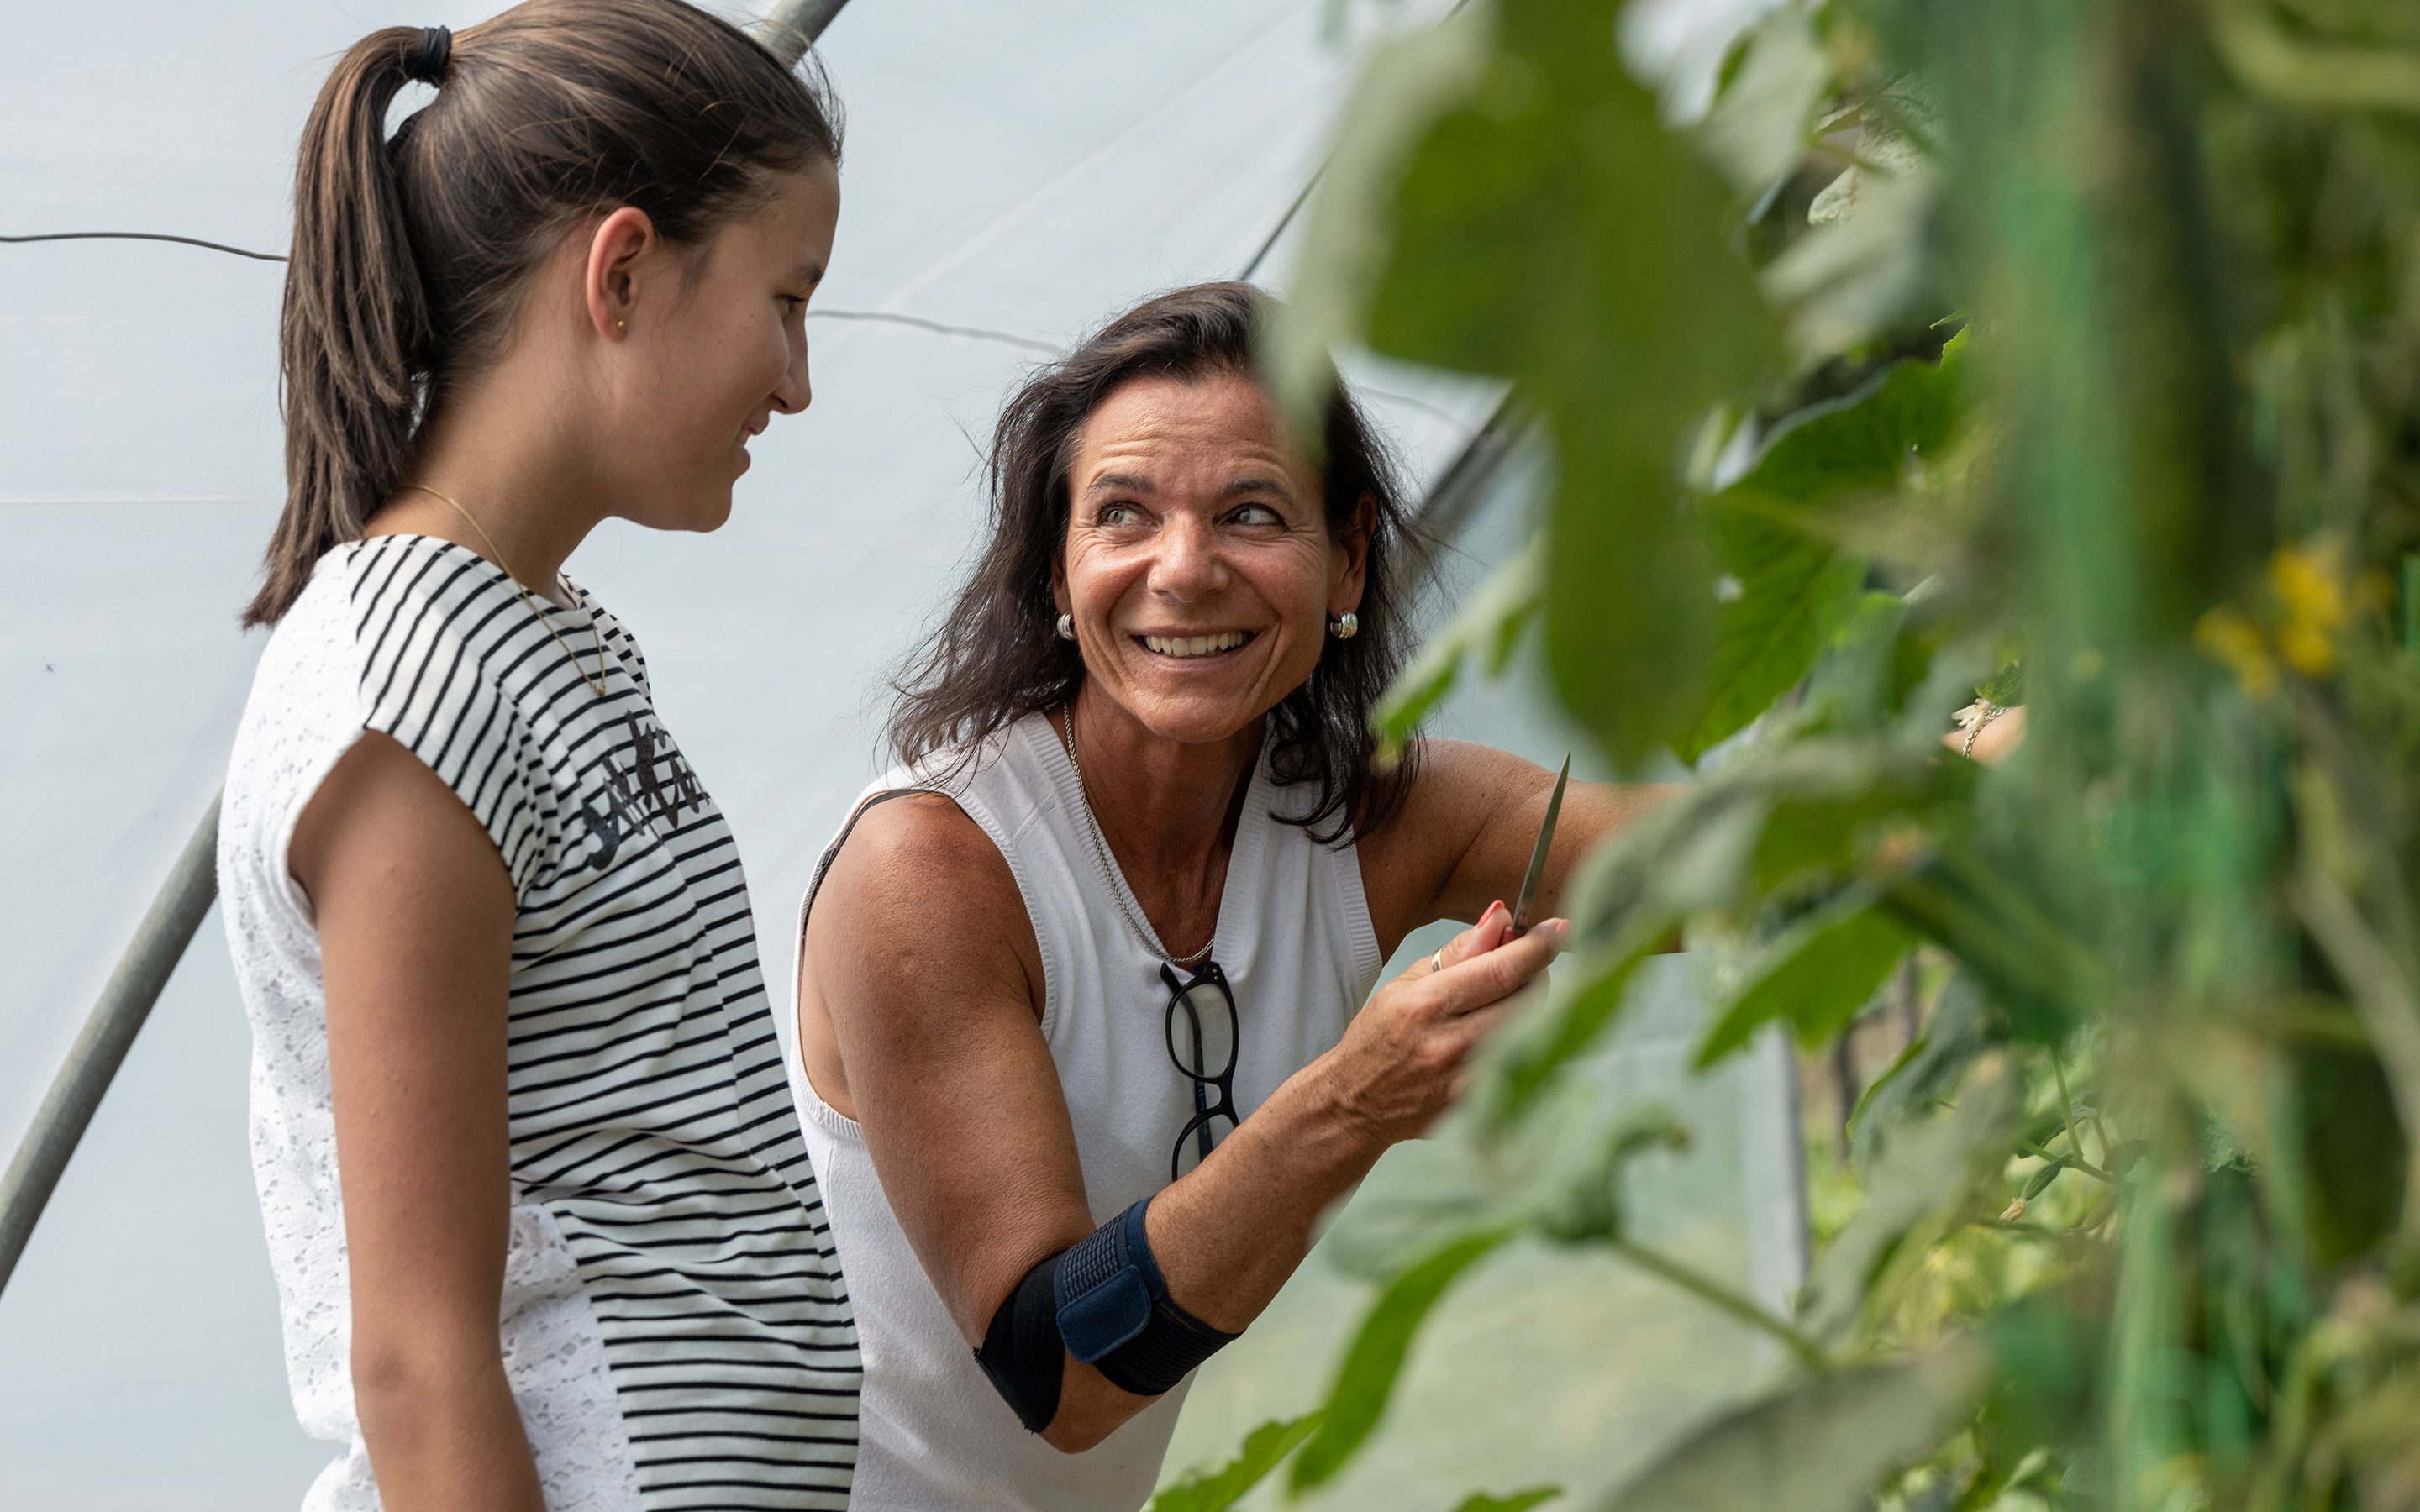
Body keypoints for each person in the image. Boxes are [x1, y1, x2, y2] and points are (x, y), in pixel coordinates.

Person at [788, 281, 1679, 1511]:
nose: (1185, 570)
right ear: (1057, 564)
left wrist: (1966, 768)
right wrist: (1353, 1104)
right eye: (1123, 516)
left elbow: (1716, 866)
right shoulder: (932, 866)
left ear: (1348, 555)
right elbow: (1061, 1370)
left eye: (1250, 513)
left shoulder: (1374, 814)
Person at [216, 5, 855, 1508]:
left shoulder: (538, 634)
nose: (798, 380)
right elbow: (419, 1359)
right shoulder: (405, 690)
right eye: (786, 299)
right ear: (622, 271)